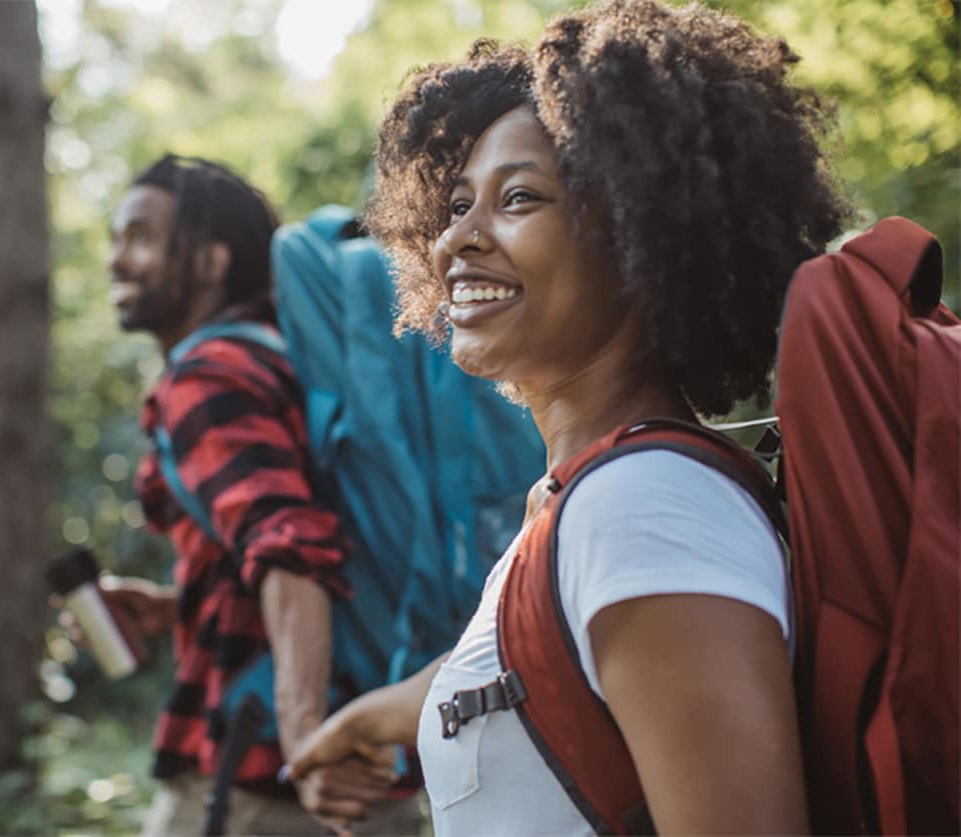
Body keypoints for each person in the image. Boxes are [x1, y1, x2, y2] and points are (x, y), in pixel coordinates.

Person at [284, 2, 850, 834]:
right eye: (453, 206)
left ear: (640, 232)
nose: (457, 241)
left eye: (518, 198)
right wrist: (393, 710)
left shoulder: (643, 509)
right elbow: (558, 659)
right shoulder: (583, 499)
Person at [98, 154, 419, 836]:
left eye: (140, 237)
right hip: (365, 745)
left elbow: (291, 544)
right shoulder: (281, 356)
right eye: (116, 238)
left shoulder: (209, 375)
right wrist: (172, 608)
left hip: (268, 777)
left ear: (212, 261)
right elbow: (308, 532)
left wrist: (303, 734)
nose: (117, 259)